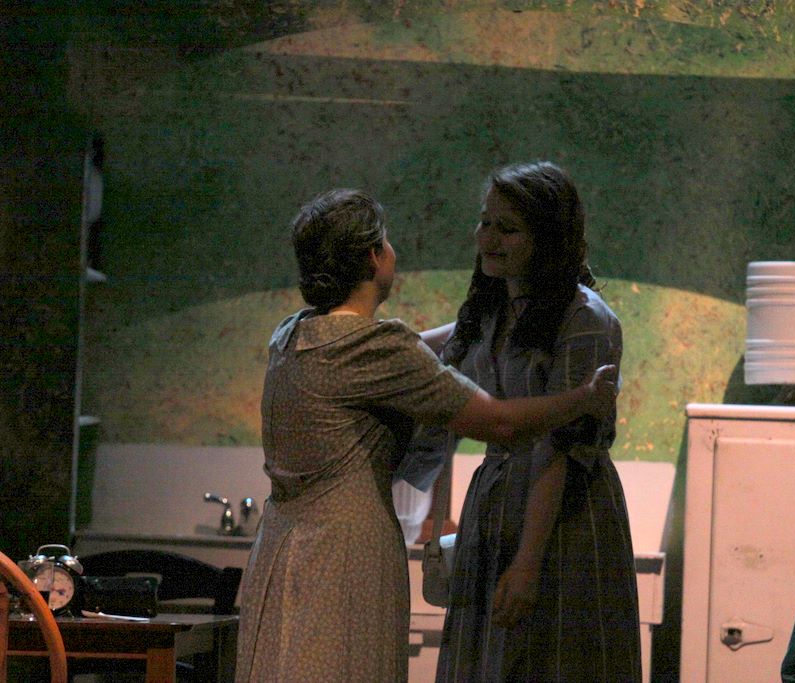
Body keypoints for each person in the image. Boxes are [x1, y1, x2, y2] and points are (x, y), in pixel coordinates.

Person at [235, 188, 618, 682]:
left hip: (281, 544)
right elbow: (498, 422)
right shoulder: (378, 349)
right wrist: (582, 397)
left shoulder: (293, 333)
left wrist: (483, 320)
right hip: (344, 550)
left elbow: (418, 350)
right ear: (373, 256)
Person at [419, 161, 642, 682]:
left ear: (546, 238)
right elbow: (428, 360)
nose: (488, 238)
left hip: (561, 515)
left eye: (507, 228)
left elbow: (561, 448)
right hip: (494, 503)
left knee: (552, 658)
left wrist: (527, 562)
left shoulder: (584, 319)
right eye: (484, 222)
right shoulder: (494, 309)